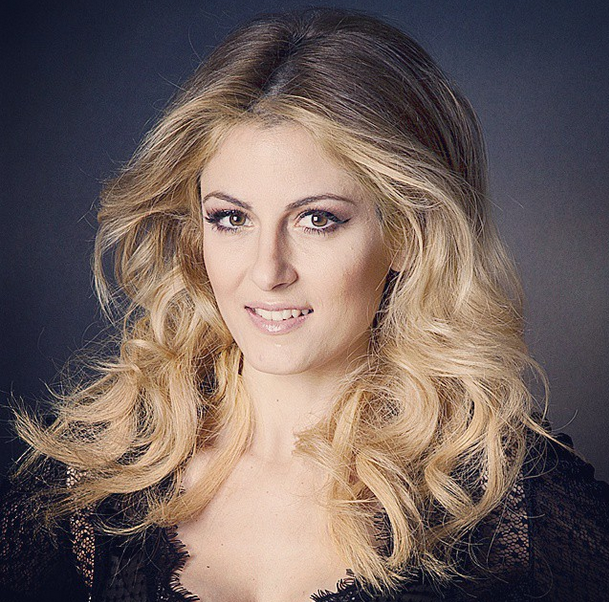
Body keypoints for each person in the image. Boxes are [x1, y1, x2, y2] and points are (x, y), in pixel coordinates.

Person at [1, 7, 608, 602]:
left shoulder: (508, 504)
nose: (268, 271)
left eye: (317, 219)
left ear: (409, 233)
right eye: (231, 218)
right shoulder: (97, 478)